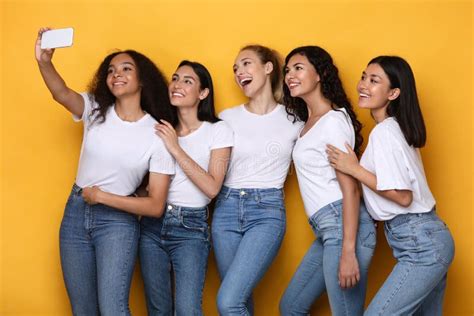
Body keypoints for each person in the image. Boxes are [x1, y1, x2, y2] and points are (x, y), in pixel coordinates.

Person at [36, 27, 175, 315]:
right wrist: (44, 61)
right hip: (75, 213)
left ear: (142, 80)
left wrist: (101, 197)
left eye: (126, 68)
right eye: (111, 70)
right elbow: (60, 93)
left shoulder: (157, 133)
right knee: (83, 309)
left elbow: (155, 205)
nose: (116, 74)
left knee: (113, 308)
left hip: (118, 223)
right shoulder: (96, 109)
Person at [326, 56, 455, 315]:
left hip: (421, 243)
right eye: (364, 77)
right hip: (426, 236)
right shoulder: (396, 129)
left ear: (393, 93)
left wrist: (353, 169)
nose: (363, 85)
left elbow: (403, 196)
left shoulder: (385, 132)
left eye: (374, 81)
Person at [279, 46, 376, 316]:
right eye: (287, 70)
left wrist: (348, 250)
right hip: (327, 229)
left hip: (343, 226)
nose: (290, 75)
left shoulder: (332, 121)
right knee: (291, 307)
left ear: (320, 74)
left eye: (298, 68)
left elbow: (351, 190)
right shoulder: (309, 123)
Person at [211, 44, 303, 315]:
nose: (239, 72)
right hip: (225, 211)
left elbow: (316, 165)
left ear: (268, 68)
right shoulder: (226, 119)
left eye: (246, 63)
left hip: (266, 211)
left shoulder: (295, 121)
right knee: (239, 300)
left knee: (228, 301)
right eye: (236, 68)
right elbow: (211, 168)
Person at [139, 60, 233, 316]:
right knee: (158, 310)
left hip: (190, 229)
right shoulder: (160, 129)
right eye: (175, 78)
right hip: (152, 225)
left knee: (187, 310)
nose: (177, 85)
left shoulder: (218, 130)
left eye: (187, 81)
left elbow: (213, 187)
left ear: (203, 93)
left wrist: (176, 148)